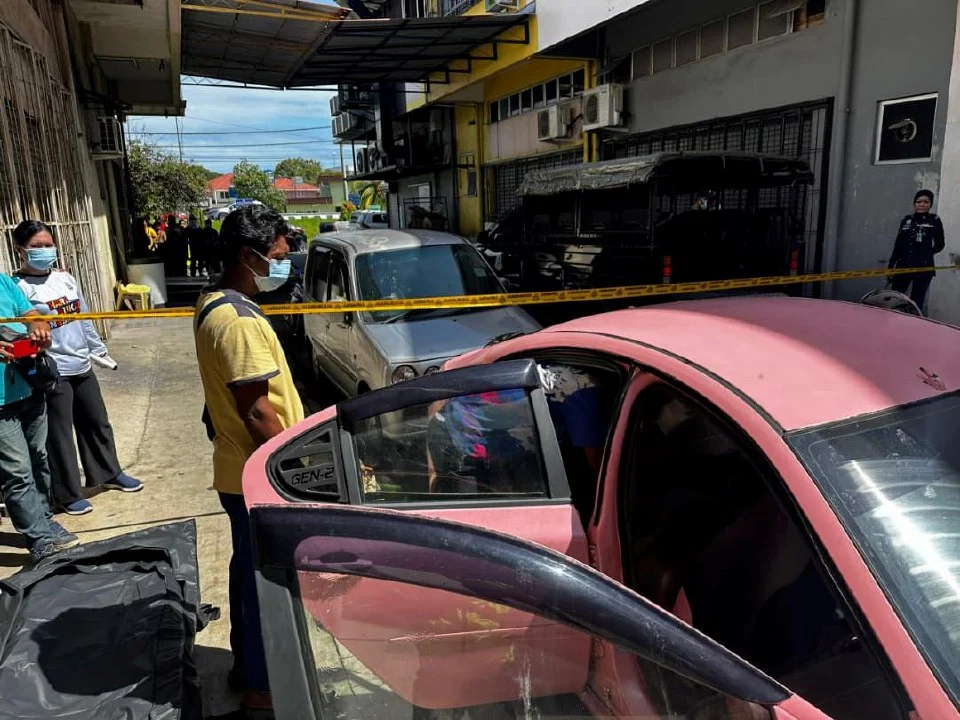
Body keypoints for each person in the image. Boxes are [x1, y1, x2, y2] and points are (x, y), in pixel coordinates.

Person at [193, 205, 304, 712]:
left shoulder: (218, 303)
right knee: (265, 585)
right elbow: (258, 411)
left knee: (246, 574)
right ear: (248, 255)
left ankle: (247, 668)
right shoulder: (236, 322)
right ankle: (262, 686)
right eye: (277, 256)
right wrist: (291, 472)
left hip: (240, 471)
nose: (283, 264)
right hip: (257, 475)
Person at [13, 220, 143, 516]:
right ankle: (67, 494)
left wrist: (97, 350)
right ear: (21, 251)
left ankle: (108, 473)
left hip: (81, 362)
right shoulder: (17, 288)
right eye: (36, 247)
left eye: (48, 245)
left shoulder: (65, 280)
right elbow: (18, 332)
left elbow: (83, 317)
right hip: (51, 369)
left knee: (97, 421)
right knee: (59, 434)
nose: (45, 251)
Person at [0, 265, 79, 562]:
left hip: (29, 384)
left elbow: (28, 312)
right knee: (17, 471)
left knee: (38, 458)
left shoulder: (4, 283)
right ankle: (38, 537)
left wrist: (37, 327)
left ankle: (45, 519)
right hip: (1, 401)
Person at [888, 189, 946, 310]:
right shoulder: (907, 220)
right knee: (895, 299)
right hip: (903, 266)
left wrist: (926, 254)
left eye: (926, 202)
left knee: (916, 302)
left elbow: (940, 244)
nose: (922, 204)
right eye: (919, 201)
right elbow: (898, 244)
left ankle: (913, 325)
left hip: (923, 268)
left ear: (930, 204)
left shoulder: (934, 220)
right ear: (914, 203)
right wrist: (891, 265)